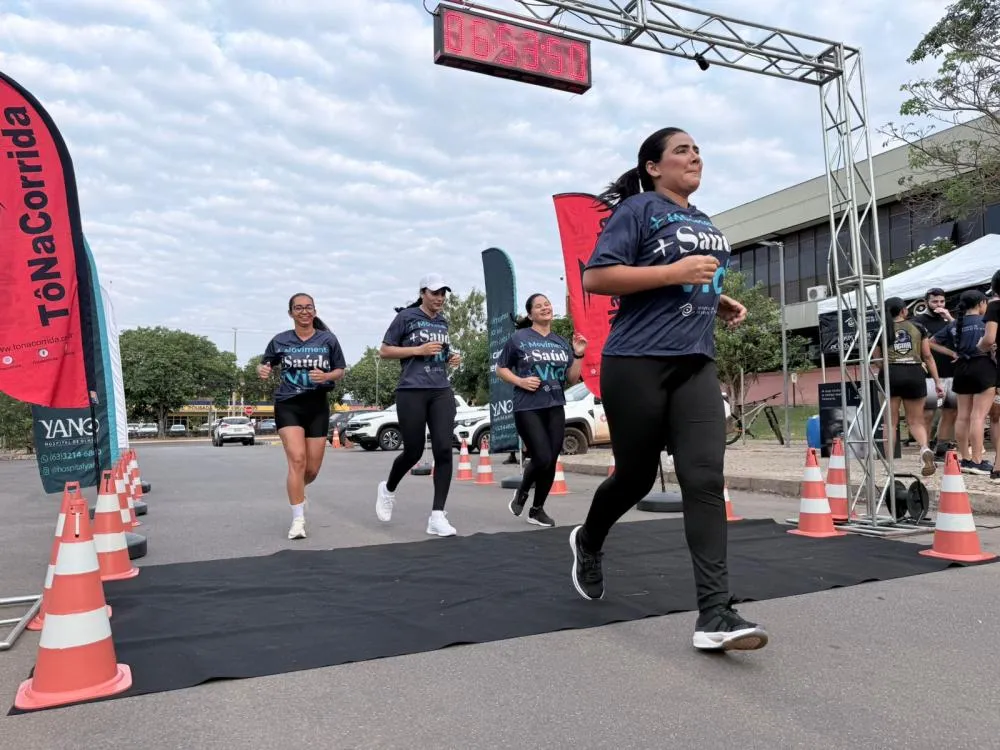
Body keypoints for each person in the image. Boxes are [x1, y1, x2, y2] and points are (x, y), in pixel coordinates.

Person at [567, 126, 768, 653]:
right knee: (633, 477)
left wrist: (716, 299)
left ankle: (715, 614)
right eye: (682, 150)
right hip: (635, 362)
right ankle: (589, 540)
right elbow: (598, 279)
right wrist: (672, 272)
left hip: (695, 364)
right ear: (654, 167)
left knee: (704, 478)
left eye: (698, 149)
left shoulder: (703, 221)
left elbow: (690, 278)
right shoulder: (638, 211)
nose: (695, 156)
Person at [375, 273, 463, 536]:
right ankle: (388, 489)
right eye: (435, 293)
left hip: (440, 390)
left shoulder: (444, 322)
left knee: (444, 450)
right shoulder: (406, 317)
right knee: (413, 452)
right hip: (411, 390)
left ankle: (437, 515)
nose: (440, 299)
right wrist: (418, 350)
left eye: (443, 294)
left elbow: (441, 351)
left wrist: (451, 357)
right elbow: (385, 350)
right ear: (423, 292)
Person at [258, 293, 346, 540]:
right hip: (288, 404)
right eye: (299, 308)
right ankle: (298, 519)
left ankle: (298, 491)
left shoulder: (328, 339)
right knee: (297, 460)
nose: (304, 312)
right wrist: (263, 369)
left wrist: (326, 377)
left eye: (309, 307)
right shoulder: (280, 340)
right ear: (291, 313)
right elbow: (264, 364)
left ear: (315, 311)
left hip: (317, 405)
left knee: (312, 470)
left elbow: (340, 369)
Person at [496, 293, 587, 527]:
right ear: (530, 314)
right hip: (528, 406)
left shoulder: (560, 342)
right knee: (542, 456)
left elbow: (572, 378)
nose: (545, 308)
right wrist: (520, 381)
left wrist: (578, 354)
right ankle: (522, 493)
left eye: (547, 304)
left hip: (555, 405)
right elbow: (501, 369)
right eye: (539, 306)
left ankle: (537, 510)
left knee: (551, 459)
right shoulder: (519, 338)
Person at [929, 289, 994, 475]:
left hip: (961, 369)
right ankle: (977, 460)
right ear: (981, 303)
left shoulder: (955, 324)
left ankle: (965, 458)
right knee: (979, 416)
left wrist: (953, 353)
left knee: (963, 415)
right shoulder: (986, 323)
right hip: (983, 367)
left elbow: (930, 342)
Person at [877, 297, 943, 476]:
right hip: (914, 374)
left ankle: (890, 466)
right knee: (916, 421)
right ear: (904, 311)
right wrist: (937, 382)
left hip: (891, 375)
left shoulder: (882, 330)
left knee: (889, 423)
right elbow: (928, 357)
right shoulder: (918, 328)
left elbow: (878, 359)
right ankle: (924, 449)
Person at [913, 288, 956, 460]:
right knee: (928, 412)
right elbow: (923, 345)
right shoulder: (918, 322)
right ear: (926, 303)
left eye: (942, 301)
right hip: (929, 373)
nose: (939, 305)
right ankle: (925, 446)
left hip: (951, 371)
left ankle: (941, 447)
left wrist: (950, 318)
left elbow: (959, 335)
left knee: (951, 411)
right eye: (935, 302)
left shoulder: (949, 320)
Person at [974, 270, 1000, 481]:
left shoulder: (994, 306)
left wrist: (980, 346)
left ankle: (999, 464)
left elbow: (989, 338)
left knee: (998, 417)